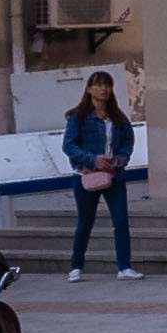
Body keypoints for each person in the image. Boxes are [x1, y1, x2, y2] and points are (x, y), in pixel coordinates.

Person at [63, 70, 140, 281]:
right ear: (89, 89)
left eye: (107, 85)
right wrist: (91, 160)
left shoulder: (118, 117)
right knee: (85, 222)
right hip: (86, 176)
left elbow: (127, 144)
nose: (103, 89)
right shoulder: (79, 116)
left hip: (114, 176)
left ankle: (124, 267)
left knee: (121, 221)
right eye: (98, 85)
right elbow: (68, 145)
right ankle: (76, 267)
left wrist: (118, 161)